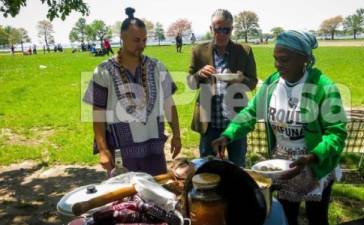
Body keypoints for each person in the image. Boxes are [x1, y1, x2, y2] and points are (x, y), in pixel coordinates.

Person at [212, 30, 347, 225]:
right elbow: (250, 112)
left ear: (305, 59)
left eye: (284, 60)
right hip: (283, 165)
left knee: (317, 218)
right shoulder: (273, 83)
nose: (278, 65)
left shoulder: (323, 87)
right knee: (285, 216)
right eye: (275, 59)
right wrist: (228, 135)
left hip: (314, 163)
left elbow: (337, 132)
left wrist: (312, 157)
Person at [83, 7, 182, 176]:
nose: (142, 45)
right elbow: (98, 112)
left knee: (156, 195)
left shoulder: (158, 67)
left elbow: (168, 104)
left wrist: (177, 135)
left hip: (154, 149)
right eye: (136, 40)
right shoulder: (103, 71)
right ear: (122, 37)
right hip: (121, 153)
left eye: (144, 40)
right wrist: (102, 149)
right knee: (124, 199)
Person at [186, 9, 258, 167]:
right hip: (210, 122)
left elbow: (252, 82)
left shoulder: (244, 51)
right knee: (208, 168)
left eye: (226, 29)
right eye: (218, 29)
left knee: (237, 167)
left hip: (236, 121)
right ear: (211, 29)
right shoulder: (199, 51)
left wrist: (241, 79)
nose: (222, 34)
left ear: (232, 29)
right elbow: (191, 83)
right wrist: (199, 74)